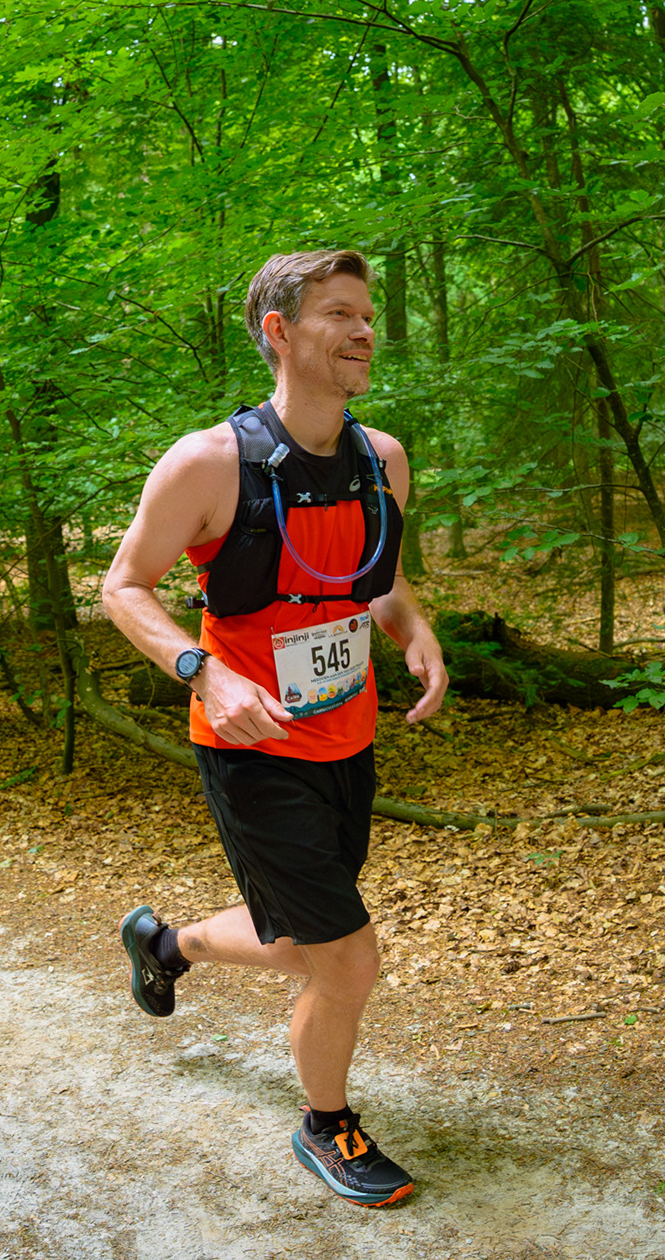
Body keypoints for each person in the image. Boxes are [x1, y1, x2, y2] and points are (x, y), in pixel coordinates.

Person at [102, 249, 447, 1208]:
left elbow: (379, 579)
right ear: (280, 331)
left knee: (304, 943)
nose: (364, 330)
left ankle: (167, 946)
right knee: (346, 957)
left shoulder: (382, 461)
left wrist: (414, 631)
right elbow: (123, 588)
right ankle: (326, 1125)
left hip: (349, 740)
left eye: (367, 314)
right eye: (340, 313)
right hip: (250, 750)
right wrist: (203, 671)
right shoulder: (210, 464)